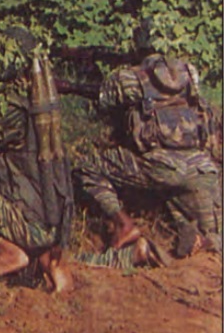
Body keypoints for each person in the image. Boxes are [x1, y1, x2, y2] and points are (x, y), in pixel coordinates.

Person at [0, 26, 156, 291]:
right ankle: (126, 257)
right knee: (40, 264)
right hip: (50, 224)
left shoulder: (9, 109)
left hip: (24, 218)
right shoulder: (36, 102)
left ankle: (6, 251)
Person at [73, 20, 221, 259]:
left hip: (158, 166)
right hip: (201, 168)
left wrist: (89, 68)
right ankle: (197, 239)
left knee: (87, 167)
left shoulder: (127, 77)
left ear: (136, 46)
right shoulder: (189, 72)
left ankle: (122, 223)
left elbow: (100, 107)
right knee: (212, 236)